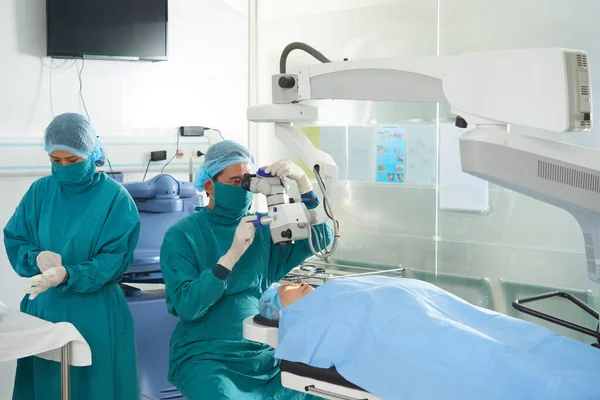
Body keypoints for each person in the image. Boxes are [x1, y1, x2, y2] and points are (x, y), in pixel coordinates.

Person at [160, 140, 333, 400]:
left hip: (261, 352)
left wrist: (305, 187)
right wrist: (229, 258)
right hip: (206, 355)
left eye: (248, 181)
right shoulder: (182, 235)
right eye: (235, 181)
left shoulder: (262, 228)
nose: (245, 188)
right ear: (210, 186)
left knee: (317, 391)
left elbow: (321, 237)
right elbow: (187, 306)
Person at [261, 276, 600, 400]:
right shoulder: (311, 323)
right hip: (422, 336)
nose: (299, 283)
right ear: (282, 311)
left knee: (513, 337)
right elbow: (349, 336)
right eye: (287, 289)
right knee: (500, 362)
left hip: (441, 315)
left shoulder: (336, 291)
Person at [3, 113, 141, 400]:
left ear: (91, 153)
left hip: (95, 313)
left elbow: (114, 259)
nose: (64, 168)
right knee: (47, 387)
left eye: (73, 161)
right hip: (45, 310)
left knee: (95, 388)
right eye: (56, 161)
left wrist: (69, 274)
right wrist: (36, 257)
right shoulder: (41, 191)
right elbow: (16, 236)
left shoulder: (115, 199)